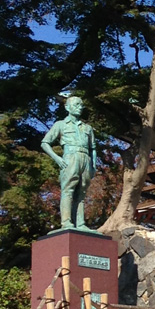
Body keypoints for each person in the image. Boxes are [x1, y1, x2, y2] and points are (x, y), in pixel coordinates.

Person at [41, 95, 99, 230]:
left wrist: (93, 166)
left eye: (81, 105)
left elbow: (93, 149)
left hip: (85, 159)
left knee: (82, 193)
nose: (80, 108)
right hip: (70, 157)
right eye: (76, 105)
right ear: (67, 107)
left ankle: (80, 223)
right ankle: (66, 223)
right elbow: (45, 143)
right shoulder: (60, 125)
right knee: (68, 190)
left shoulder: (87, 128)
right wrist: (57, 158)